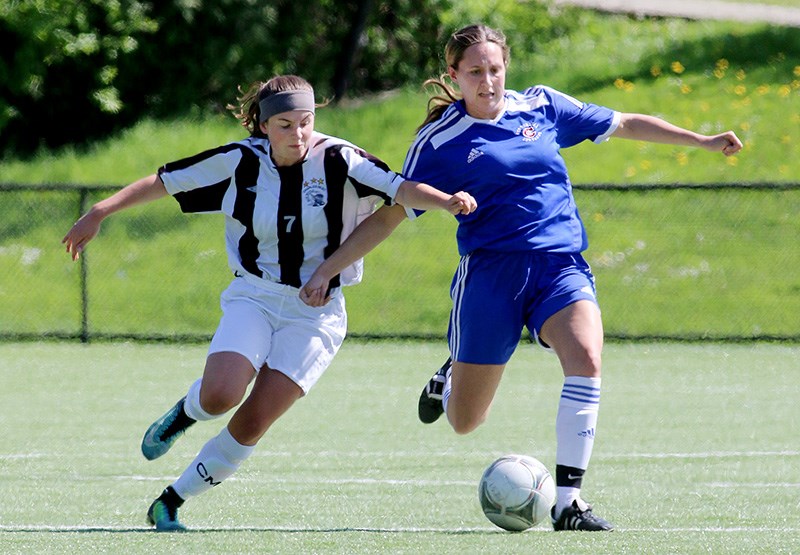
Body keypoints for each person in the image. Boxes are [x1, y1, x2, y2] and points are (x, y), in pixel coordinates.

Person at [303, 24, 743, 532]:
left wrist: (702, 141)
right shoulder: (440, 140)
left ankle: (569, 503)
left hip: (560, 265)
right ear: (454, 75)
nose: (487, 80)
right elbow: (393, 211)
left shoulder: (541, 106)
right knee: (466, 422)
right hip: (491, 276)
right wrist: (326, 270)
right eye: (474, 72)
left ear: (505, 67)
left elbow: (623, 122)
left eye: (495, 69)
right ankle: (450, 377)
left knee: (586, 357)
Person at [62, 74, 477, 532]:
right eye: (284, 124)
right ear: (261, 125)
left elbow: (400, 190)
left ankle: (171, 500)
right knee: (221, 394)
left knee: (254, 419)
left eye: (305, 122)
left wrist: (446, 201)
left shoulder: (340, 158)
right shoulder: (238, 161)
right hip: (254, 296)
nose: (298, 134)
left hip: (317, 314)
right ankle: (186, 412)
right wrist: (100, 210)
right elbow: (165, 182)